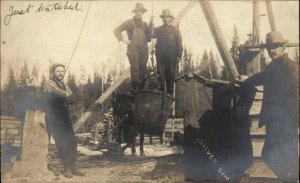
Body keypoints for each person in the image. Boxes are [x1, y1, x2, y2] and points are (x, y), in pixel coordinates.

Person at [238, 31, 299, 182]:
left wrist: (294, 120)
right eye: (270, 47)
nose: (272, 50)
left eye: (276, 46)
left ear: (283, 48)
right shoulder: (273, 66)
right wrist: (247, 79)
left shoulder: (290, 67)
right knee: (271, 155)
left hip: (286, 122)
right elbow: (262, 77)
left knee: (287, 157)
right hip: (274, 120)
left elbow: (297, 95)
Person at [44, 63, 85, 178]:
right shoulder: (49, 82)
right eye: (58, 71)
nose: (61, 73)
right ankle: (66, 168)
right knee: (62, 142)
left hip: (64, 115)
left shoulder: (63, 84)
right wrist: (67, 94)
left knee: (72, 140)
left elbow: (70, 94)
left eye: (62, 71)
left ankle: (73, 167)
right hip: (53, 116)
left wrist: (67, 94)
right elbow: (58, 92)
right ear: (53, 72)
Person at [113, 3, 152, 91]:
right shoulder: (129, 23)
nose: (139, 14)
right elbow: (116, 30)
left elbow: (148, 39)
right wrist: (125, 41)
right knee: (135, 70)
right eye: (137, 11)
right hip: (133, 50)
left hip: (144, 50)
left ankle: (143, 91)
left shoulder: (145, 25)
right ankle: (136, 92)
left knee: (143, 69)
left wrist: (151, 26)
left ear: (143, 13)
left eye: (141, 12)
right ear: (135, 12)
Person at [150, 9, 183, 95]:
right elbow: (151, 34)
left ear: (170, 18)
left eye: (167, 17)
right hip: (160, 57)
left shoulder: (176, 30)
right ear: (162, 19)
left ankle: (170, 95)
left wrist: (179, 55)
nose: (165, 19)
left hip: (171, 57)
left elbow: (179, 43)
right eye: (164, 17)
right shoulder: (159, 29)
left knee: (170, 76)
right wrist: (151, 23)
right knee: (161, 75)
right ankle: (161, 93)